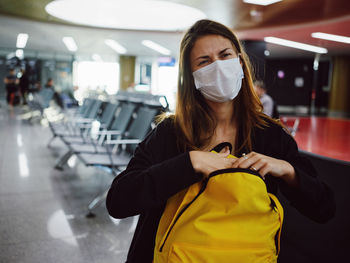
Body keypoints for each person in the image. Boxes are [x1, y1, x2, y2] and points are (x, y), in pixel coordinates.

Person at [106, 19, 335, 263]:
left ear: (239, 62)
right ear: (192, 76)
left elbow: (324, 208)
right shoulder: (171, 132)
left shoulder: (270, 135)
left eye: (225, 55)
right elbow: (119, 201)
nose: (218, 66)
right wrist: (189, 163)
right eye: (204, 61)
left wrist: (287, 170)